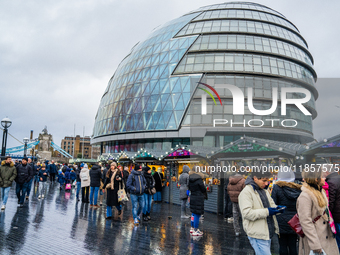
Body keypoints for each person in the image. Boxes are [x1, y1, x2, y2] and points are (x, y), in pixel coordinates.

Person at [238, 171, 282, 255]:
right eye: (264, 180)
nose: (266, 183)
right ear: (255, 178)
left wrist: (277, 209)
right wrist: (267, 211)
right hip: (257, 234)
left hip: (266, 232)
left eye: (267, 181)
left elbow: (271, 204)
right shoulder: (246, 192)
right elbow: (247, 213)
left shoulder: (264, 190)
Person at [297, 168, 338, 255]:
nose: (325, 178)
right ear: (316, 179)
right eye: (322, 176)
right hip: (316, 239)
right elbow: (305, 221)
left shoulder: (320, 191)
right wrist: (315, 245)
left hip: (326, 235)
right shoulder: (305, 196)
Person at [271, 167, 301, 255]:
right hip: (294, 220)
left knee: (282, 245)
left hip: (280, 220)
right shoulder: (297, 187)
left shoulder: (276, 187)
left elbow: (273, 204)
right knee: (293, 245)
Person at [323, 165, 340, 252]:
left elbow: (330, 202)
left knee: (337, 241)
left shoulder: (331, 182)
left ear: (327, 172)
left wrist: (328, 216)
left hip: (337, 217)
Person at [188, 167, 206, 236]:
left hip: (192, 196)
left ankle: (192, 228)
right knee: (197, 214)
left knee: (193, 213)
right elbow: (203, 189)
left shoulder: (190, 178)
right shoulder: (199, 179)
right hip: (198, 197)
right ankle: (196, 230)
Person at [227, 171, 246, 236]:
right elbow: (245, 191)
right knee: (244, 216)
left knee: (235, 216)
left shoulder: (231, 180)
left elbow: (228, 189)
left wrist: (232, 196)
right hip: (241, 201)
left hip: (233, 201)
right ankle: (246, 230)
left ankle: (237, 231)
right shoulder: (243, 181)